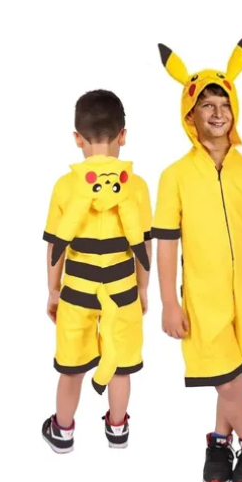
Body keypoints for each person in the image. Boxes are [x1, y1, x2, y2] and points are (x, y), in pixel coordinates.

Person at [152, 36, 242, 482]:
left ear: (235, 109)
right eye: (206, 104)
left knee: (234, 378)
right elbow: (165, 244)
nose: (217, 112)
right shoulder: (174, 177)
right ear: (190, 115)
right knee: (226, 382)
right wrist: (169, 302)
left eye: (224, 103)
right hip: (202, 301)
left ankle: (218, 443)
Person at [42, 90, 152, 453]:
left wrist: (53, 290)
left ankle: (62, 430)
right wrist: (143, 289)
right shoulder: (136, 186)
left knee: (71, 366)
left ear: (78, 138)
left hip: (77, 289)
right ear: (123, 135)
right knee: (120, 362)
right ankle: (117, 428)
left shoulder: (65, 186)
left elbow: (55, 246)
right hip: (122, 288)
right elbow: (144, 244)